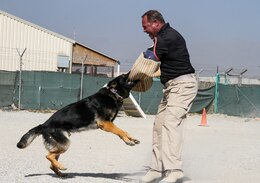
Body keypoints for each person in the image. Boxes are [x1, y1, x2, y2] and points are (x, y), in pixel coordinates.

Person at [140, 10, 198, 183]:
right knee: (159, 126)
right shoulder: (164, 36)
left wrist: (132, 77)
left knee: (170, 124)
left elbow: (149, 58)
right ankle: (156, 169)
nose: (144, 30)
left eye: (145, 27)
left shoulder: (166, 37)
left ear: (156, 23)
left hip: (183, 86)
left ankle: (174, 170)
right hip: (171, 88)